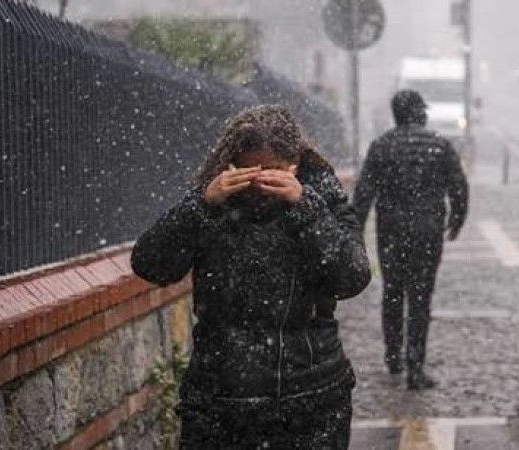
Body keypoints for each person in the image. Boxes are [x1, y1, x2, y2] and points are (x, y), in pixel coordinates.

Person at [131, 104, 371, 448]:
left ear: (295, 166)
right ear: (231, 166)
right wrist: (202, 205)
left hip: (311, 400)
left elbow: (352, 277)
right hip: (221, 403)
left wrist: (304, 208)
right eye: (249, 171)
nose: (259, 182)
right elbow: (151, 265)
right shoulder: (213, 205)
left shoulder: (324, 201)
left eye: (271, 171)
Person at [352, 90, 469, 390]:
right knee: (420, 296)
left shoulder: (381, 146)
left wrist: (354, 232)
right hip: (427, 230)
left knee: (393, 291)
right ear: (420, 112)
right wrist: (456, 220)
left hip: (391, 229)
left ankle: (393, 356)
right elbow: (459, 187)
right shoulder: (440, 146)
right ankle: (416, 366)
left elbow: (364, 194)